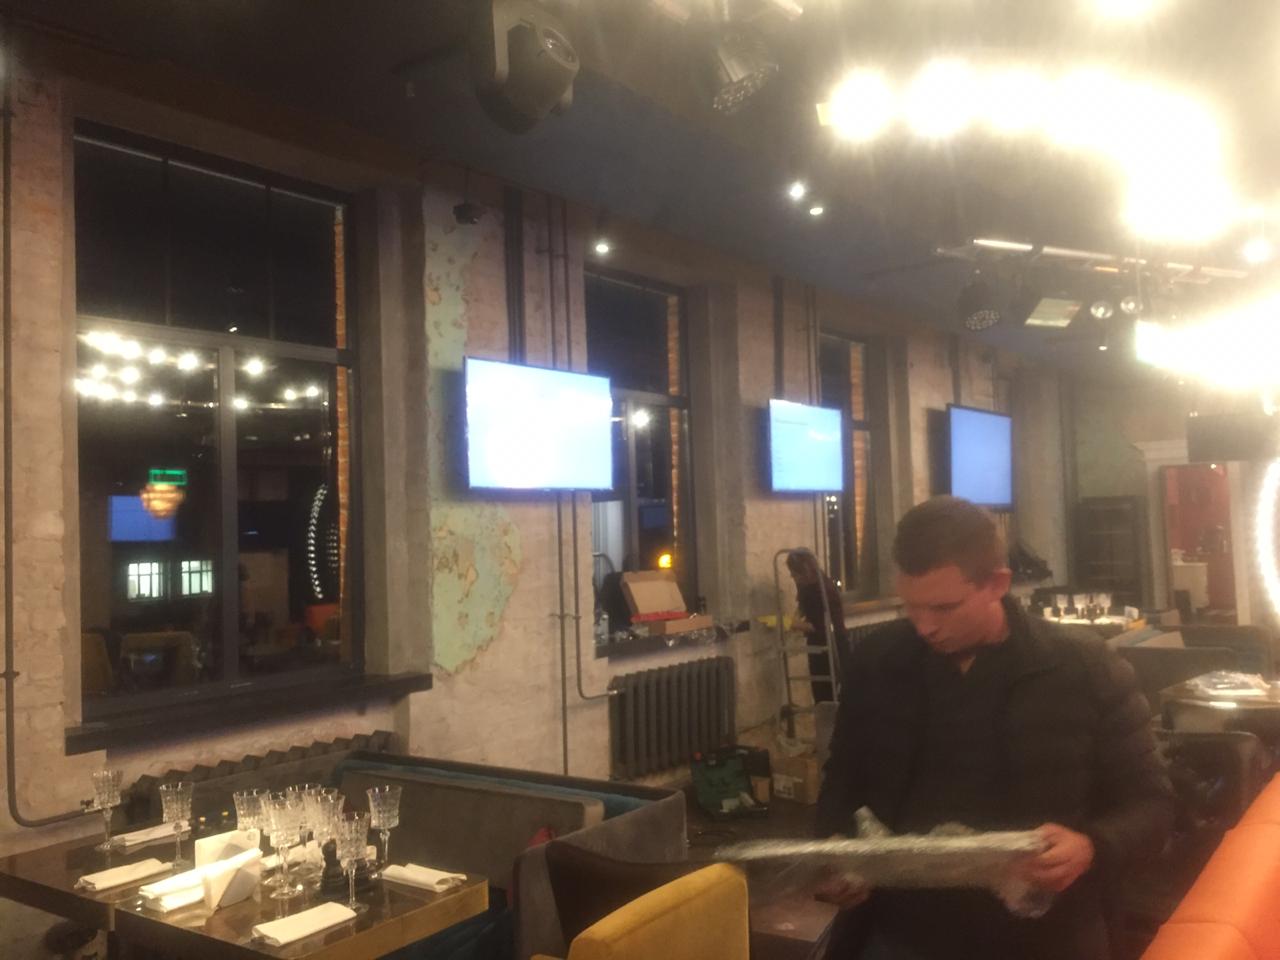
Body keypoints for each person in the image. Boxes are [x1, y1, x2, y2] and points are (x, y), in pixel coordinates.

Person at [815, 496, 1173, 960]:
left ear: (997, 584)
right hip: (899, 931)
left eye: (944, 608)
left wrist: (1090, 847)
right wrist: (833, 852)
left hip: (1045, 938)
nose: (925, 627)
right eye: (911, 608)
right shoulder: (878, 663)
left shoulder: (1082, 667)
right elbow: (843, 779)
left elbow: (1153, 804)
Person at [786, 549, 850, 702]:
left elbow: (817, 626)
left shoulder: (821, 589)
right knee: (820, 690)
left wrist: (791, 624)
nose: (792, 576)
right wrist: (795, 617)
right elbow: (803, 605)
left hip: (831, 642)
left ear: (805, 571)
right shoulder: (807, 584)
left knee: (829, 693)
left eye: (794, 573)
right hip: (819, 642)